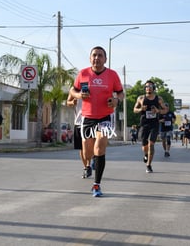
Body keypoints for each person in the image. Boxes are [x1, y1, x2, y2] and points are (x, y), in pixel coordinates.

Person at [69, 46, 124, 197]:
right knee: (87, 153)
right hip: (87, 117)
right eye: (94, 55)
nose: (97, 58)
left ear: (105, 59)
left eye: (100, 55)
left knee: (100, 148)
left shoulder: (112, 75)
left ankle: (96, 185)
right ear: (90, 58)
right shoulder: (83, 73)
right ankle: (92, 160)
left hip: (105, 116)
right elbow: (72, 91)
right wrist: (79, 95)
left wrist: (116, 100)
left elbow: (120, 93)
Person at [133, 80, 167, 173]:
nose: (148, 88)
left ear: (153, 88)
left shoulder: (158, 99)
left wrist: (158, 111)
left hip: (154, 124)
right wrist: (141, 109)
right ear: (145, 88)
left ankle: (148, 165)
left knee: (151, 143)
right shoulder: (141, 98)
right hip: (144, 124)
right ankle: (145, 154)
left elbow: (165, 110)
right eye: (147, 87)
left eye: (150, 86)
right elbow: (134, 109)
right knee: (144, 145)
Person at [66, 89, 92, 179]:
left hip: (90, 121)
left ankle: (89, 163)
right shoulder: (75, 89)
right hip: (79, 122)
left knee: (90, 146)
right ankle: (86, 167)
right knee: (81, 148)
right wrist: (72, 102)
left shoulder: (94, 85)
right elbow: (68, 102)